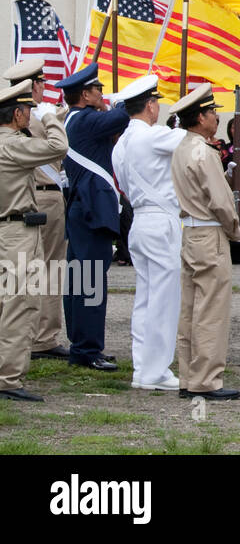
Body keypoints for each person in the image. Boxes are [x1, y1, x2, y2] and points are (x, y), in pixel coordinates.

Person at [110, 76, 186, 391]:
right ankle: (155, 371)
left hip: (139, 219)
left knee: (145, 296)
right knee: (164, 299)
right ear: (151, 106)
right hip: (160, 219)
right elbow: (188, 141)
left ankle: (143, 367)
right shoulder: (152, 136)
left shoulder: (121, 144)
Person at [52, 64, 129, 372]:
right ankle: (87, 349)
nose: (101, 93)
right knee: (91, 281)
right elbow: (122, 115)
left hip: (81, 208)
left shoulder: (74, 119)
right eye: (97, 89)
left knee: (80, 280)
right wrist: (125, 98)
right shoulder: (85, 119)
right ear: (84, 94)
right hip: (91, 209)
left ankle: (81, 345)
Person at [169, 84, 240, 400]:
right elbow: (222, 203)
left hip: (190, 232)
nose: (216, 117)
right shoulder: (204, 152)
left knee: (191, 308)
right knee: (211, 309)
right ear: (200, 117)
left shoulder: (183, 148)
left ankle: (188, 376)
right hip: (210, 234)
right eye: (212, 112)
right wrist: (236, 231)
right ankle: (206, 380)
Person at [0, 80, 68, 401]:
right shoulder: (13, 144)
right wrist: (52, 117)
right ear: (16, 114)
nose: (30, 116)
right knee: (19, 304)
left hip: (7, 229)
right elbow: (57, 147)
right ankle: (8, 380)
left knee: (5, 304)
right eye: (27, 110)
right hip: (16, 233)